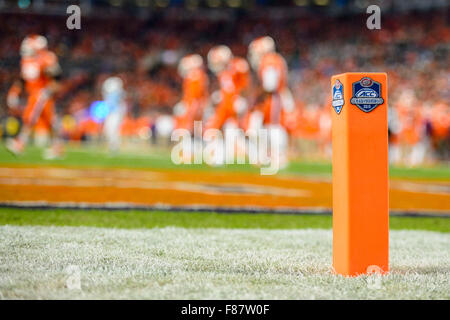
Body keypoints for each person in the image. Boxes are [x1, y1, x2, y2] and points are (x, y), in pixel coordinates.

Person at [6, 34, 63, 159]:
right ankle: (56, 148)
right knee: (45, 121)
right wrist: (14, 92)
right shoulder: (26, 61)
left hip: (42, 94)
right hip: (34, 94)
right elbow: (22, 79)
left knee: (34, 119)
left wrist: (47, 91)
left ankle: (20, 144)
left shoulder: (46, 59)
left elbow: (56, 80)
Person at [102, 76, 127, 153]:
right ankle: (112, 146)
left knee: (113, 130)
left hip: (116, 114)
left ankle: (114, 147)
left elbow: (121, 105)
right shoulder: (109, 94)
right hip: (111, 114)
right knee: (107, 130)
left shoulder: (119, 93)